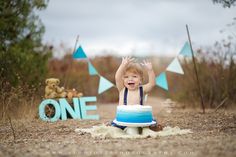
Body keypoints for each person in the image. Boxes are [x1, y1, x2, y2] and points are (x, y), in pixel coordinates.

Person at [109, 56, 163, 131]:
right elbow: (117, 78)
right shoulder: (122, 89)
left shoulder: (142, 89)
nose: (130, 79)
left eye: (134, 76)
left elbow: (152, 83)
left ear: (140, 80)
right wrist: (122, 65)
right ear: (123, 79)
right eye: (126, 77)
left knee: (152, 122)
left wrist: (150, 70)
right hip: (124, 120)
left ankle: (153, 127)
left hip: (139, 120)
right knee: (114, 127)